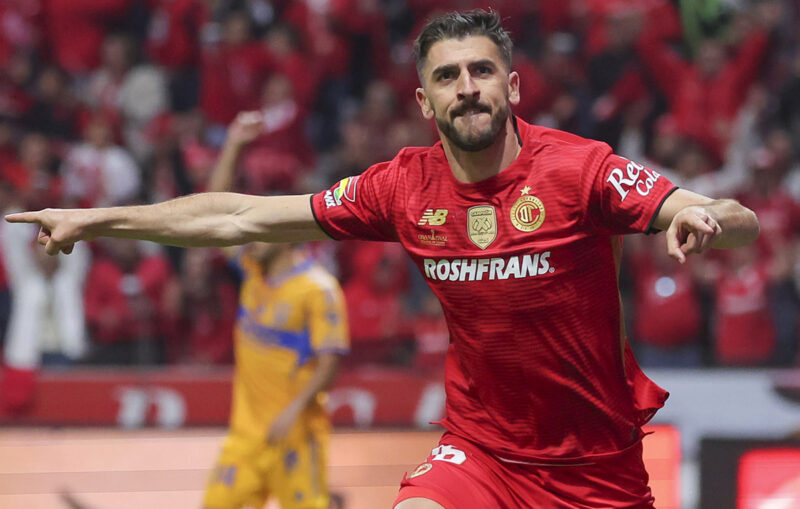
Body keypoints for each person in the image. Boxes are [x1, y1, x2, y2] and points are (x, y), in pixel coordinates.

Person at [5, 10, 760, 509]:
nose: (467, 88)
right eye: (447, 77)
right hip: (482, 453)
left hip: (595, 467)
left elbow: (733, 219)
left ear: (513, 86)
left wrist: (701, 215)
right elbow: (239, 216)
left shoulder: (580, 169)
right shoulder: (402, 186)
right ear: (425, 103)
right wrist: (98, 218)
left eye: (482, 71)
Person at [202, 114, 350, 509]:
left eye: (260, 233)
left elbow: (330, 362)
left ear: (284, 236)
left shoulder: (318, 290)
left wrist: (293, 411)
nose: (249, 241)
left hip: (296, 435)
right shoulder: (252, 270)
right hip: (245, 437)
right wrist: (233, 144)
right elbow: (213, 216)